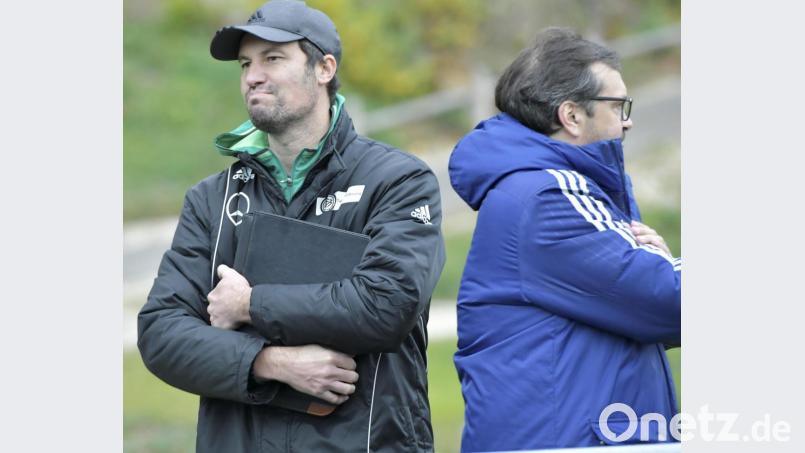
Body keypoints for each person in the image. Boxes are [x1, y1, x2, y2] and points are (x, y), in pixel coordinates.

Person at [137, 1, 445, 451]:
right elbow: (162, 333)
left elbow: (387, 304)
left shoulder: (397, 180)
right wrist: (268, 362)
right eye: (246, 64)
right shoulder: (211, 199)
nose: (252, 76)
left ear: (324, 69)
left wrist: (250, 304)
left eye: (273, 58)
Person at [448, 27, 681, 451]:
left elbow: (642, 315)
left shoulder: (544, 189)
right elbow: (668, 300)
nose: (627, 120)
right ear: (571, 116)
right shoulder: (549, 197)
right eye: (618, 105)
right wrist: (666, 266)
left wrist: (661, 267)